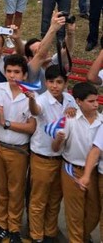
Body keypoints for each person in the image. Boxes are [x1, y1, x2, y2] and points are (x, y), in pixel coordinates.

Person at [0, 55, 36, 243]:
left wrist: (7, 123)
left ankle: (14, 227)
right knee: (0, 187)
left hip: (18, 150)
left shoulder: (30, 95)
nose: (12, 76)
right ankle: (1, 225)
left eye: (16, 72)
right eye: (9, 71)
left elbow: (31, 127)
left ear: (24, 74)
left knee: (16, 190)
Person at [27, 65, 77, 243]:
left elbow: (75, 120)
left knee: (55, 198)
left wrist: (74, 112)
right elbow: (35, 111)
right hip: (43, 157)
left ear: (65, 83)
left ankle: (50, 232)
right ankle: (36, 235)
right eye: (50, 82)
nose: (54, 86)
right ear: (45, 82)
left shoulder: (70, 99)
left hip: (62, 158)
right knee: (39, 200)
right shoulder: (41, 100)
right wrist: (31, 100)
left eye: (59, 82)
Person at [52, 82, 102, 242]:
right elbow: (55, 148)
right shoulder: (70, 119)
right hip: (71, 169)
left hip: (93, 171)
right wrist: (58, 140)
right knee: (75, 213)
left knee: (94, 212)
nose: (96, 104)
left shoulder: (101, 121)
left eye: (97, 100)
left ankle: (82, 237)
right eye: (91, 101)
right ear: (79, 102)